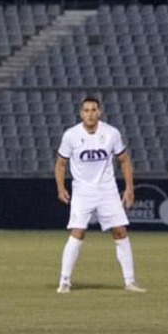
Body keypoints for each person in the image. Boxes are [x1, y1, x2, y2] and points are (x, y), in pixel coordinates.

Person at [55, 95, 144, 293]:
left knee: (120, 231)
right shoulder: (71, 135)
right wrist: (60, 188)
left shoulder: (111, 133)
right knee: (77, 232)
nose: (90, 114)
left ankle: (129, 282)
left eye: (93, 110)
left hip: (107, 190)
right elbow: (60, 163)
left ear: (99, 112)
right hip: (82, 192)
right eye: (86, 110)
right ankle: (64, 281)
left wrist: (129, 188)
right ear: (81, 113)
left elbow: (124, 160)